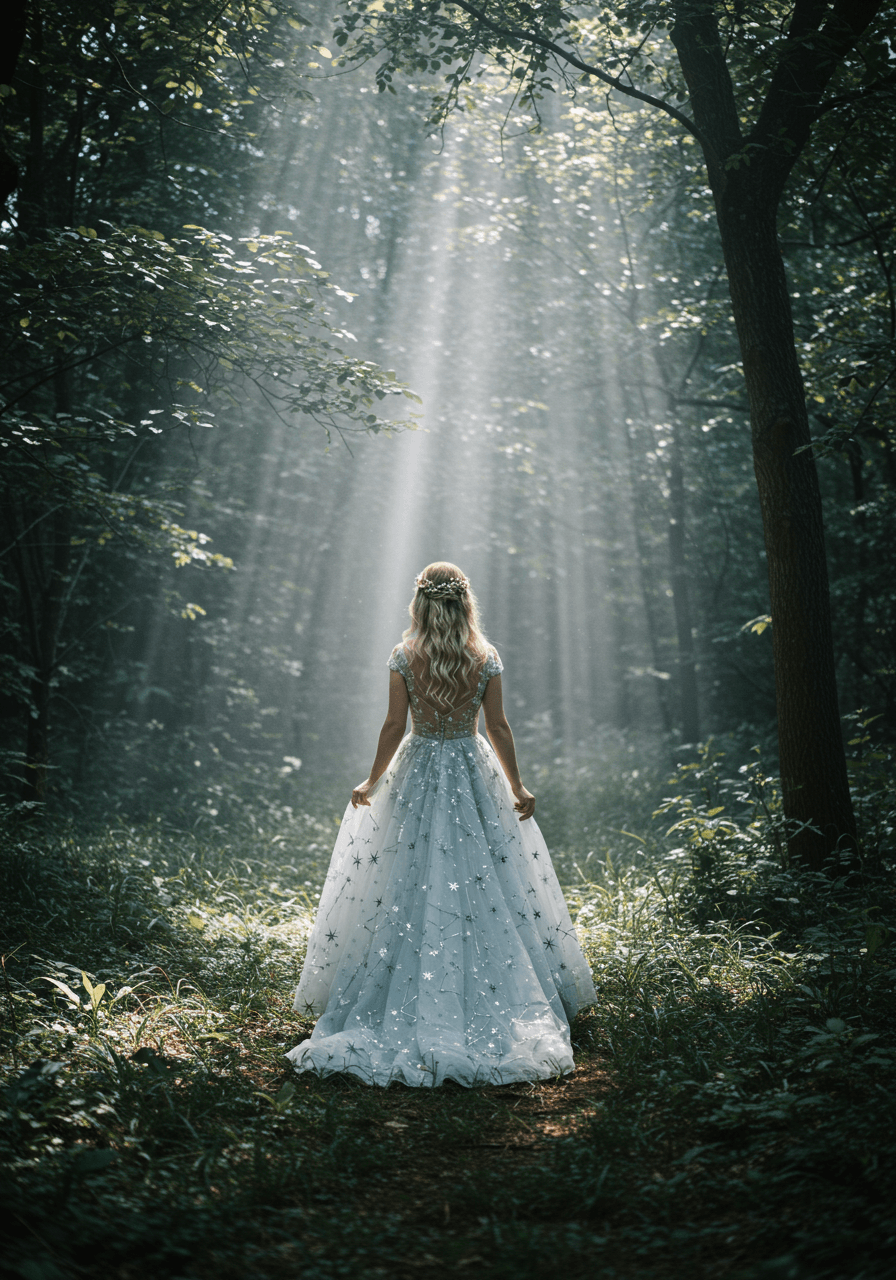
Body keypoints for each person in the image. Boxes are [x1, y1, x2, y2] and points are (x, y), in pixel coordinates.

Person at [286, 561, 595, 1087]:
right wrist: (517, 785)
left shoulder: (405, 655)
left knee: (406, 872)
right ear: (464, 601)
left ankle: (401, 983)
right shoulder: (485, 655)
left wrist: (371, 779)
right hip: (472, 770)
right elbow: (497, 726)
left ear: (421, 602)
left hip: (420, 766)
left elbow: (393, 725)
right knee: (487, 875)